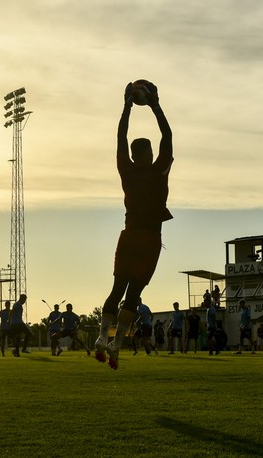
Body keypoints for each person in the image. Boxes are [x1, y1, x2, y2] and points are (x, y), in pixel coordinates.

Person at [93, 80, 173, 370]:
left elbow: (120, 137)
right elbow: (168, 135)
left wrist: (126, 106)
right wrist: (155, 106)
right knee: (134, 294)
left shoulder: (126, 171)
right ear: (150, 154)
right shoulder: (159, 171)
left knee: (116, 289)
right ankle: (117, 345)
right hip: (150, 239)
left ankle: (102, 338)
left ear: (133, 154)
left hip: (128, 236)